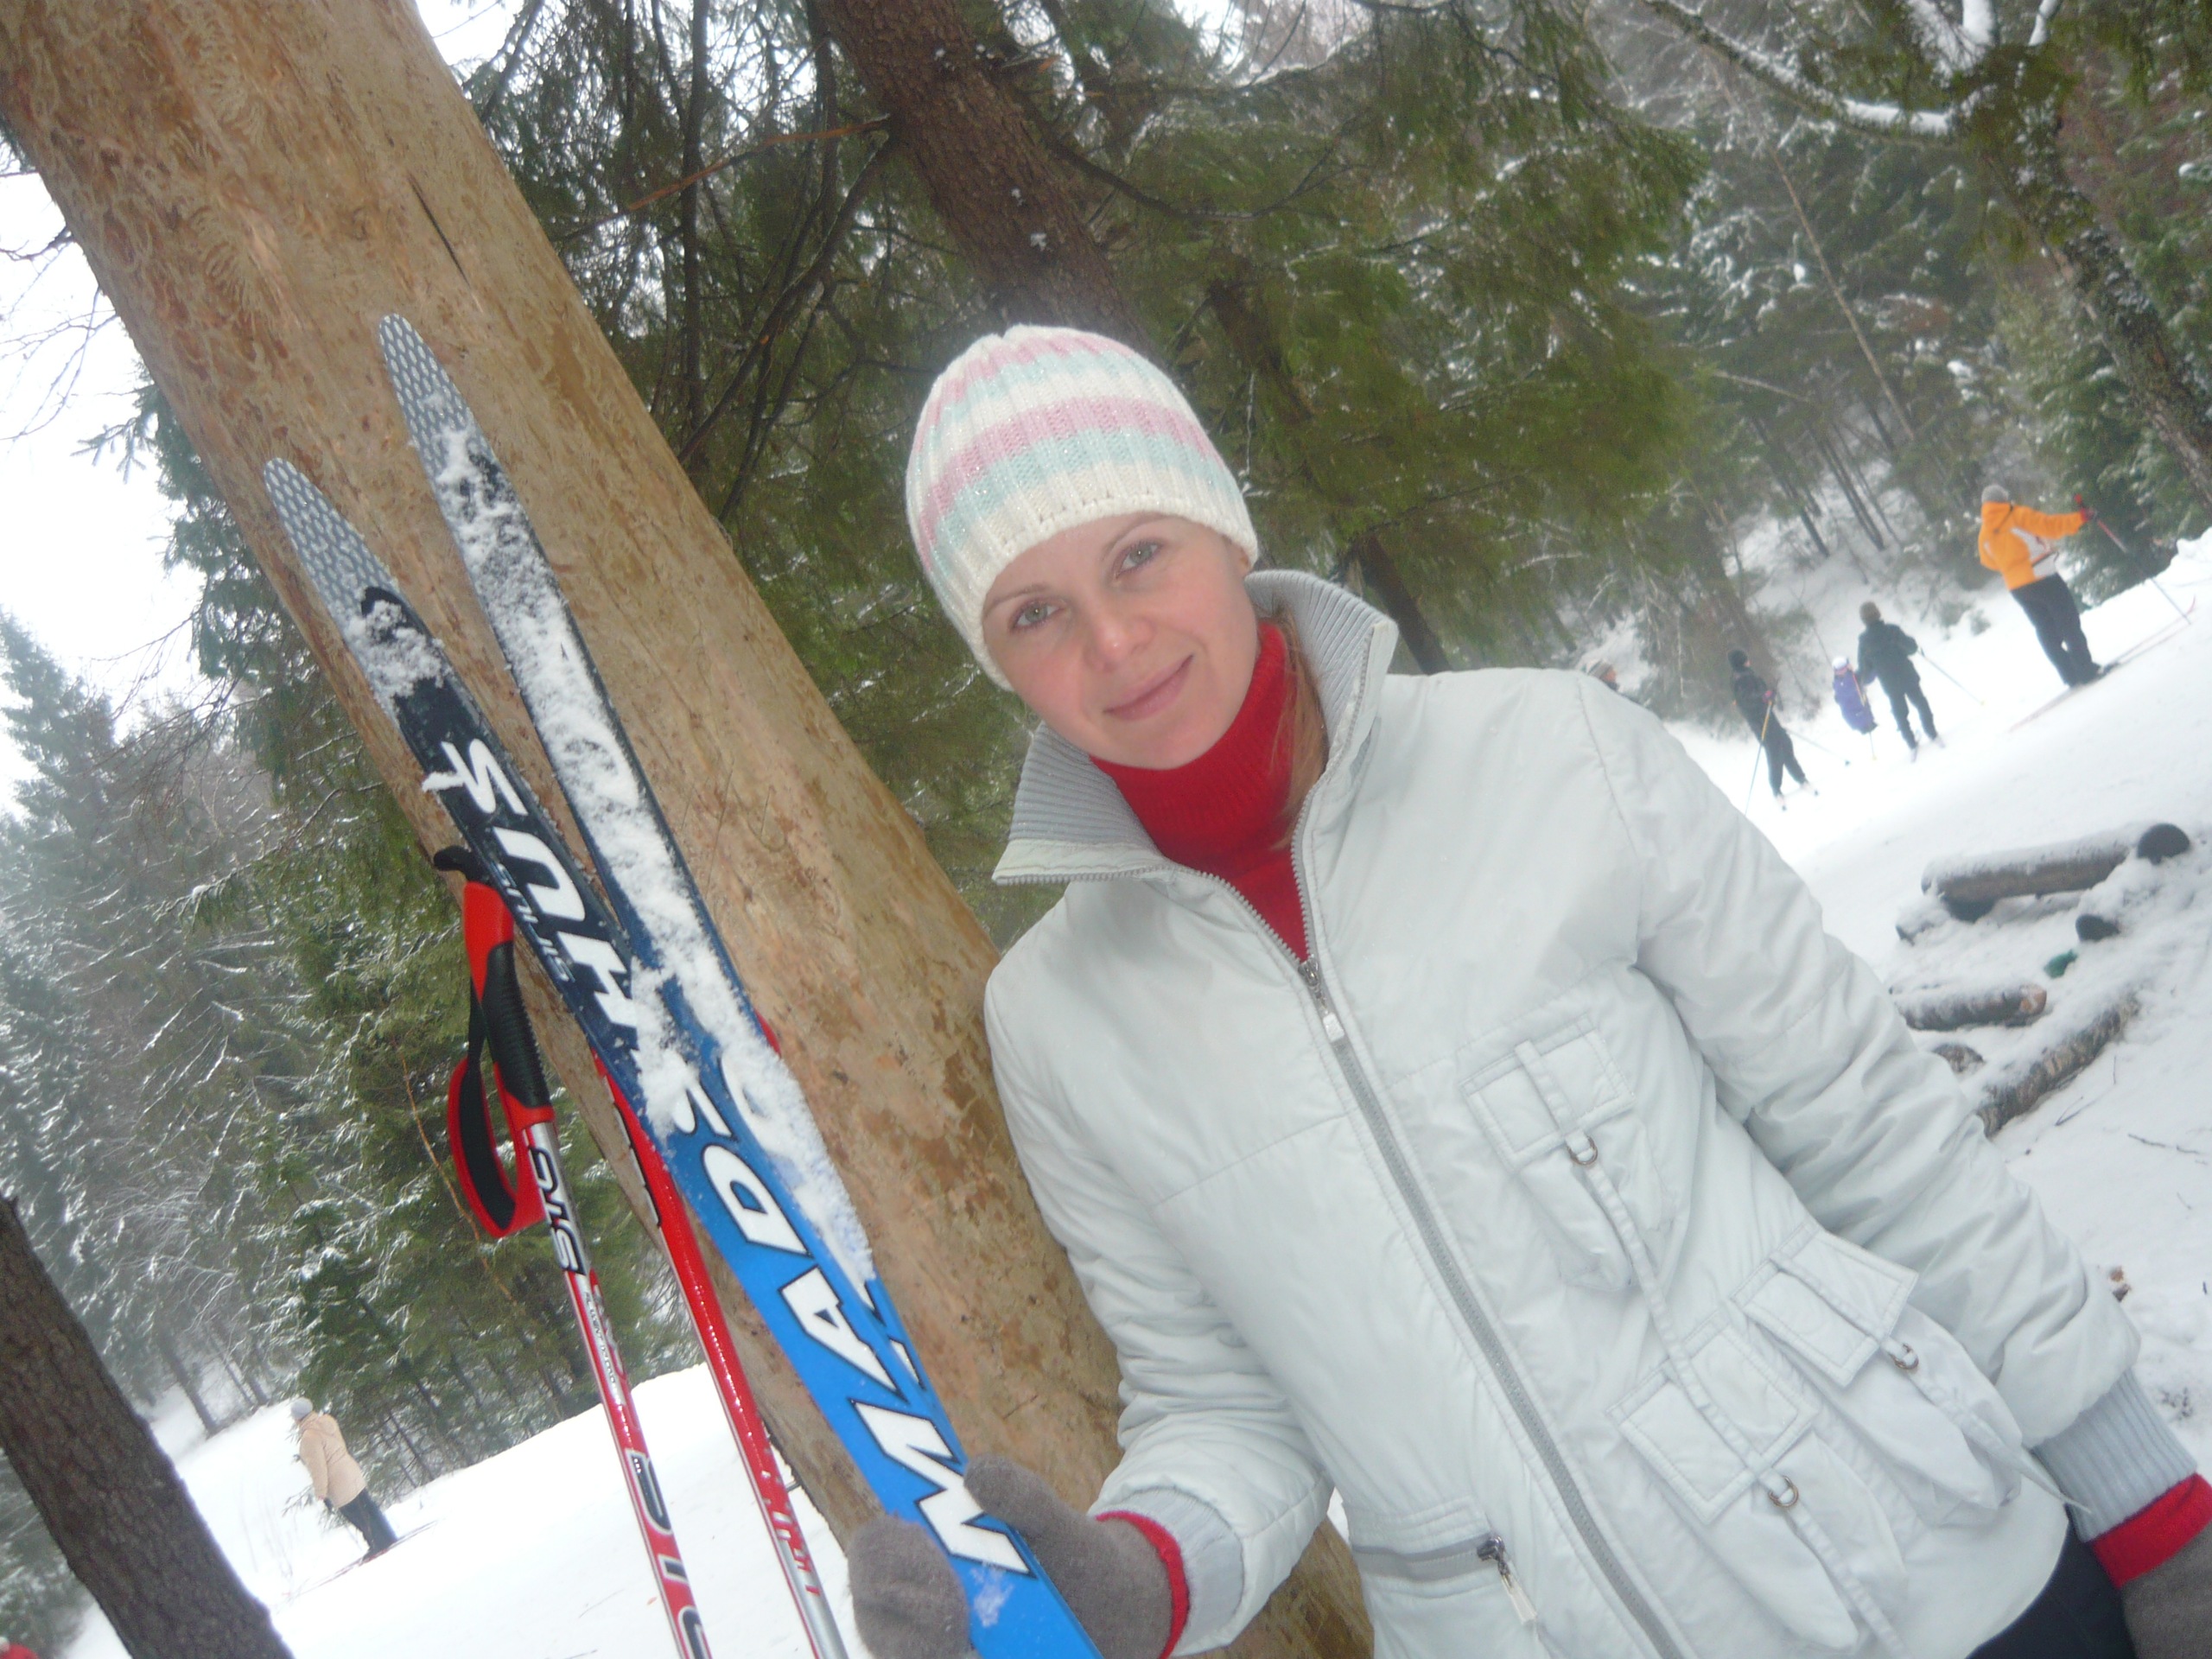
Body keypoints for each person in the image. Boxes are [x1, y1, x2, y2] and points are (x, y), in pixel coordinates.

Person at [853, 325, 2210, 1659]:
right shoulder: (1058, 1020)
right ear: (999, 660)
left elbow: (1871, 1128)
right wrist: (1138, 1579)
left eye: (1138, 554)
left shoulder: (1557, 752)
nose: (1112, 638)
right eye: (1034, 613)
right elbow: (1223, 1403)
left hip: (1935, 1584)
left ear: (1224, 531)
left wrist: (2149, 1505)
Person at [1980, 485, 2101, 687]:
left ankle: (2070, 674)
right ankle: (2086, 669)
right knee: (2068, 623)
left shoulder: (1984, 532)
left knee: (2045, 630)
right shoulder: (2018, 515)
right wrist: (2080, 518)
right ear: (2004, 499)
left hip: (2017, 588)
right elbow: (2051, 526)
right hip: (2042, 576)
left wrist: (2012, 567)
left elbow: (1988, 561)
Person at [291, 1400, 396, 1558]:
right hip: (350, 1469)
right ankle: (387, 1536)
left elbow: (318, 1468)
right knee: (369, 1507)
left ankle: (377, 1544)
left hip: (338, 1481)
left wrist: (321, 1492)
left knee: (358, 1515)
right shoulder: (327, 1421)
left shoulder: (309, 1437)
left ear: (297, 1418)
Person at [1857, 601, 1940, 753]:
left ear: (1864, 620)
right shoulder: (1892, 630)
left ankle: (1911, 742)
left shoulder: (1864, 641)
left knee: (1900, 713)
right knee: (1921, 703)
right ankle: (1931, 731)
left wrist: (1860, 677)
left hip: (1889, 682)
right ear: (1878, 613)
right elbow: (1911, 648)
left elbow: (1865, 669)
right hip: (1907, 674)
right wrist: (1911, 644)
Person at [1727, 646, 1809, 798]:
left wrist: (1768, 695)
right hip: (1760, 722)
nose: (1749, 660)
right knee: (1775, 752)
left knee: (1785, 743)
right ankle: (1776, 788)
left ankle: (1800, 777)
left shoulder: (1747, 674)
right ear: (1741, 662)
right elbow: (1746, 700)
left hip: (1767, 717)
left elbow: (1759, 693)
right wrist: (1763, 697)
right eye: (1746, 659)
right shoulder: (1740, 679)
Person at [1832, 656, 1878, 737]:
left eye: (1844, 668)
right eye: (1839, 670)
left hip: (1862, 716)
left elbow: (1868, 677)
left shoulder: (1848, 679)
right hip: (1859, 717)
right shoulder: (1842, 681)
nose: (1842, 671)